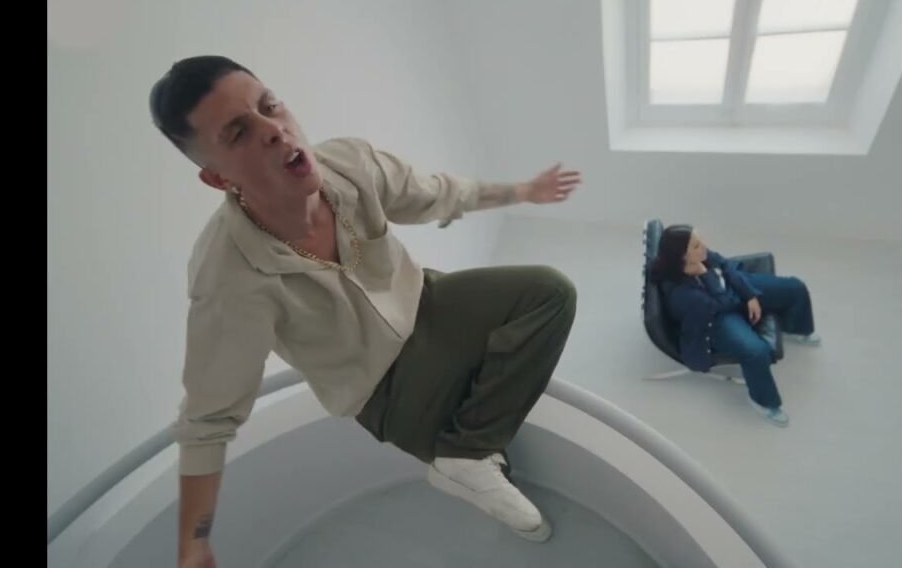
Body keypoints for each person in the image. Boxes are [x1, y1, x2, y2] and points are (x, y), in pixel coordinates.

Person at [149, 56, 581, 568]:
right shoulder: (228, 277)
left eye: (270, 105)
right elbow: (208, 418)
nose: (274, 130)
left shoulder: (350, 163)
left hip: (429, 302)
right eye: (240, 132)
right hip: (383, 390)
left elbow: (438, 194)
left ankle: (466, 454)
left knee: (549, 292)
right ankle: (470, 461)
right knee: (492, 468)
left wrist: (522, 192)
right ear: (217, 178)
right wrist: (194, 543)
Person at [651, 225, 820, 427]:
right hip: (715, 321)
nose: (704, 247)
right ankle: (764, 402)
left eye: (700, 240)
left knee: (795, 287)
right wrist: (708, 275)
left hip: (729, 292)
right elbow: (724, 305)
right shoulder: (683, 295)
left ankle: (796, 327)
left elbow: (725, 264)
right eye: (696, 246)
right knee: (756, 352)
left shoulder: (697, 256)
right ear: (682, 256)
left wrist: (750, 295)